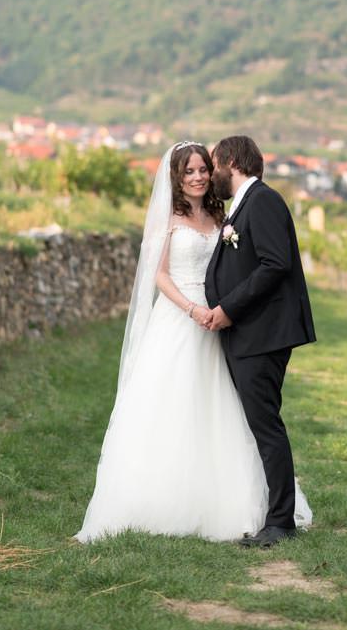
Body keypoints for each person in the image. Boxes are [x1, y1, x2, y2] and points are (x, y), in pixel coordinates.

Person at [74, 141, 310, 544]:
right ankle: (165, 500)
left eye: (205, 168)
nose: (200, 176)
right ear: (176, 178)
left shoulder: (225, 213)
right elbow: (159, 274)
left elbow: (257, 262)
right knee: (173, 407)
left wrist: (222, 310)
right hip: (184, 319)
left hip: (223, 323)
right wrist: (191, 309)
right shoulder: (169, 218)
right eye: (191, 171)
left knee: (224, 411)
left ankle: (244, 506)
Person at [203, 135, 316, 548]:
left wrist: (228, 308)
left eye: (214, 163)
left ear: (231, 161)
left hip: (261, 334)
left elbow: (274, 264)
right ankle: (273, 513)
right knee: (259, 425)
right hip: (248, 333)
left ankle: (281, 522)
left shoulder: (263, 201)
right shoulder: (245, 203)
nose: (212, 173)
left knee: (266, 427)